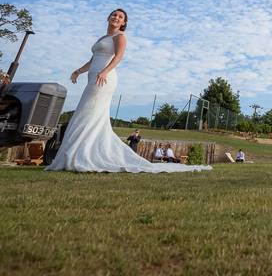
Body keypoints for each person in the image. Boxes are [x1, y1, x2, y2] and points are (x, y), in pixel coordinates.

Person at [46, 9, 210, 173]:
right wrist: (78, 71)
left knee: (89, 113)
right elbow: (92, 60)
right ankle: (77, 155)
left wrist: (105, 71)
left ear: (124, 23)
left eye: (120, 17)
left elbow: (118, 57)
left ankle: (82, 157)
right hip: (92, 77)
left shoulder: (120, 37)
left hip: (104, 78)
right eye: (114, 15)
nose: (116, 18)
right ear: (108, 18)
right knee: (84, 114)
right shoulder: (103, 39)